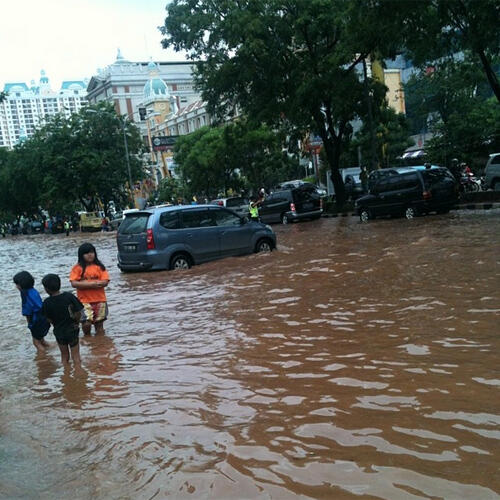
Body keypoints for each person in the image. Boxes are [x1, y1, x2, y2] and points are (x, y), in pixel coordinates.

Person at [41, 274, 84, 368]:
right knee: (76, 356)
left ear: (46, 289)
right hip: (72, 329)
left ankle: (66, 373)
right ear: (59, 284)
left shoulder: (46, 303)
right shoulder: (69, 296)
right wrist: (77, 322)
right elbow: (78, 312)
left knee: (64, 357)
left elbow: (47, 318)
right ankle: (79, 374)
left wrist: (55, 324)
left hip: (59, 331)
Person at [69, 243, 110, 336]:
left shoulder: (100, 267)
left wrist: (86, 284)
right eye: (86, 253)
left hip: (100, 300)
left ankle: (99, 343)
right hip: (84, 301)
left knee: (99, 324)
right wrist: (92, 284)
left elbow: (106, 281)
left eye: (91, 252)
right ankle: (88, 339)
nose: (90, 255)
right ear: (81, 255)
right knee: (86, 323)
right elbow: (73, 283)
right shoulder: (77, 268)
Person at [13, 271, 50, 354]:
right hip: (43, 318)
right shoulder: (34, 291)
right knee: (42, 340)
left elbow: (27, 311)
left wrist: (30, 324)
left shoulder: (25, 294)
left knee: (36, 342)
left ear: (21, 285)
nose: (16, 287)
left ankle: (44, 356)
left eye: (17, 284)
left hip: (36, 320)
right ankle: (51, 349)